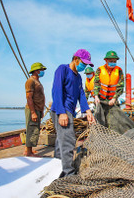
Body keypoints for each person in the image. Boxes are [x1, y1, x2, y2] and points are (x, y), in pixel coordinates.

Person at [51, 49, 96, 178]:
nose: (84, 66)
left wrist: (88, 112)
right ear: (75, 59)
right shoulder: (62, 69)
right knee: (68, 140)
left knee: (61, 139)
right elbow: (57, 90)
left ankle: (56, 166)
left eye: (86, 64)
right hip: (61, 110)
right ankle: (68, 174)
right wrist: (61, 113)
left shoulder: (78, 77)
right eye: (83, 63)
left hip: (69, 110)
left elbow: (81, 95)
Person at [94, 50, 124, 127]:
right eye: (111, 61)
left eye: (114, 61)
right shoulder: (100, 70)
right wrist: (96, 96)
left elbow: (120, 87)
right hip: (101, 100)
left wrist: (114, 98)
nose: (113, 62)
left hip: (113, 101)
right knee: (100, 122)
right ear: (106, 60)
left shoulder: (119, 70)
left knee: (115, 122)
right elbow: (96, 84)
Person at [24, 62, 47, 156]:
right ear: (37, 71)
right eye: (42, 70)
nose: (43, 72)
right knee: (32, 129)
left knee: (34, 128)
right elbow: (29, 98)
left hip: (38, 109)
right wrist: (33, 112)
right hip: (32, 109)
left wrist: (41, 111)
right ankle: (28, 152)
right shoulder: (30, 81)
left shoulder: (38, 81)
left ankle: (28, 150)